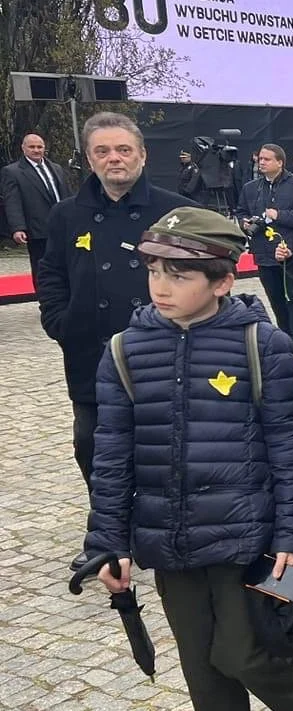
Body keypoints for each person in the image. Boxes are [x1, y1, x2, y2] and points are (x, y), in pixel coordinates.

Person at [83, 206, 293, 711]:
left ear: (224, 279)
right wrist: (106, 547)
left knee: (248, 651)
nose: (161, 283)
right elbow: (112, 455)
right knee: (203, 666)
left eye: (181, 271)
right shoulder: (124, 351)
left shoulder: (264, 346)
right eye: (154, 268)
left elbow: (291, 447)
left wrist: (292, 537)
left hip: (248, 539)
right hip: (169, 543)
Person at [36, 113, 191, 506]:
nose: (114, 158)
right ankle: (106, 529)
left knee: (162, 444)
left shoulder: (176, 213)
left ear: (142, 155)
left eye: (123, 150)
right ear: (89, 160)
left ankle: (159, 522)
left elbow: (202, 278)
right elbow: (51, 273)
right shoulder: (66, 215)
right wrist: (60, 321)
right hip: (90, 350)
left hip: (160, 350)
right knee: (91, 443)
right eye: (102, 151)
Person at [237, 144, 293, 355]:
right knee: (275, 297)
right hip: (263, 251)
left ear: (280, 162)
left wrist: (279, 215)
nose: (262, 162)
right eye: (260, 158)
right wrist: (245, 223)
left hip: (289, 253)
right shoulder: (250, 188)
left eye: (267, 159)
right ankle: (284, 335)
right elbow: (241, 211)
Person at [4, 132, 70, 277]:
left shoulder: (56, 168)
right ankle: (45, 298)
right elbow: (12, 202)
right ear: (23, 148)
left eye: (39, 147)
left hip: (63, 227)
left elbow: (66, 195)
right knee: (43, 269)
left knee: (66, 265)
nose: (36, 150)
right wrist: (18, 228)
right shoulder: (13, 172)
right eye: (32, 147)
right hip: (38, 230)